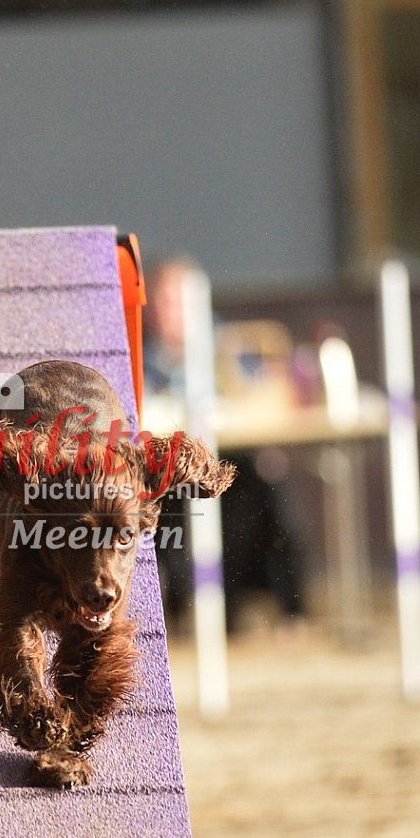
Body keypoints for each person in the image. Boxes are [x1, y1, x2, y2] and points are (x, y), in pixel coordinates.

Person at [142, 253, 309, 635]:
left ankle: (280, 606)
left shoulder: (226, 344)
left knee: (264, 489)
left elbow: (266, 393)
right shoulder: (141, 353)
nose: (170, 312)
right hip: (169, 471)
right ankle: (179, 606)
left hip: (229, 463)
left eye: (179, 301)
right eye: (163, 301)